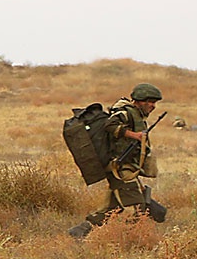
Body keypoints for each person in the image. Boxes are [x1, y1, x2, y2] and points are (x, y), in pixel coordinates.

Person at [69, 83, 167, 238]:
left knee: (112, 208)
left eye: (154, 102)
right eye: (149, 102)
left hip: (127, 167)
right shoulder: (125, 112)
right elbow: (110, 125)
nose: (152, 106)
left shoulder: (136, 115)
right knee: (138, 206)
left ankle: (81, 230)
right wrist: (135, 136)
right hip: (119, 168)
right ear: (139, 100)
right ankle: (132, 240)